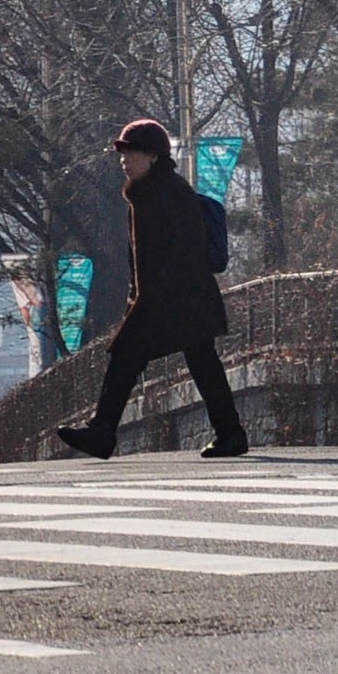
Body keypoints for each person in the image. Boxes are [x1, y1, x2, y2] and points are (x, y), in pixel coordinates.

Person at [55, 120, 247, 460]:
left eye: (132, 153)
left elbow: (179, 255)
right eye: (123, 154)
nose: (124, 160)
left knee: (133, 357)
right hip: (171, 300)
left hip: (177, 299)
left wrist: (147, 303)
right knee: (196, 361)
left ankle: (103, 432)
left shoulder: (169, 193)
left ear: (154, 156)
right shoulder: (147, 194)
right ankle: (229, 433)